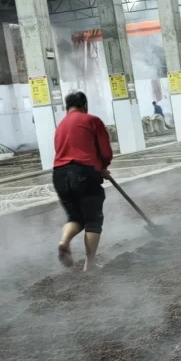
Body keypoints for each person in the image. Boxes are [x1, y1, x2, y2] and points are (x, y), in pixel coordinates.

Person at [52, 90, 113, 271]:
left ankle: (64, 241)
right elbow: (106, 152)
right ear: (85, 105)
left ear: (66, 107)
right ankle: (90, 264)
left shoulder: (60, 125)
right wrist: (102, 166)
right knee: (93, 219)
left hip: (59, 175)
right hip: (83, 173)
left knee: (75, 217)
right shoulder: (92, 120)